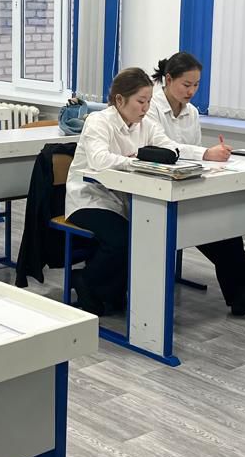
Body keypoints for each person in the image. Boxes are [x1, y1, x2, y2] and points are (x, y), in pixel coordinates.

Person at [145, 51, 245, 315]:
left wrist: (212, 158)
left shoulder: (191, 112)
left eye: (196, 85)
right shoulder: (151, 108)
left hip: (186, 184)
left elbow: (192, 151)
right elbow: (163, 147)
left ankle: (242, 294)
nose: (192, 91)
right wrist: (205, 154)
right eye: (186, 84)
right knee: (210, 227)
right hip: (157, 189)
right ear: (168, 79)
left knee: (223, 224)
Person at [64, 67, 179, 316]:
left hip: (123, 200)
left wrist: (195, 154)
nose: (146, 108)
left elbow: (170, 147)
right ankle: (86, 280)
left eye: (149, 101)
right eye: (140, 101)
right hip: (89, 199)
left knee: (145, 236)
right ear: (119, 100)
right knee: (123, 239)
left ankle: (109, 292)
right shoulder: (99, 121)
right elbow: (99, 160)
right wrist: (134, 161)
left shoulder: (145, 125)